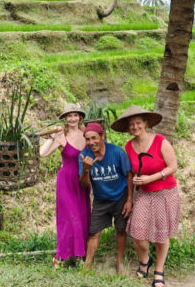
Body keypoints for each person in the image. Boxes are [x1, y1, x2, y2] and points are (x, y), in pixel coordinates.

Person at [111, 105, 179, 287]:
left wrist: (152, 177)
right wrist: (131, 194)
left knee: (161, 234)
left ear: (146, 123)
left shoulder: (160, 141)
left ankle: (159, 270)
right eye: (131, 124)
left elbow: (173, 166)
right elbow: (132, 173)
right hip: (144, 193)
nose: (135, 127)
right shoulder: (129, 146)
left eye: (138, 123)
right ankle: (145, 260)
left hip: (164, 192)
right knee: (137, 233)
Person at [79, 122, 133, 274]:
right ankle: (87, 265)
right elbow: (84, 184)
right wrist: (86, 169)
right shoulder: (84, 156)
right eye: (87, 139)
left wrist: (129, 200)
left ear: (102, 136)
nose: (91, 142)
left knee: (121, 229)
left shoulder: (117, 152)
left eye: (94, 138)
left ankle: (120, 261)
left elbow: (129, 175)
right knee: (94, 232)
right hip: (101, 199)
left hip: (120, 197)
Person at [40, 103, 90, 266]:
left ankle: (79, 255)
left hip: (83, 180)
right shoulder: (61, 136)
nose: (73, 118)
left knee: (82, 217)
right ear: (65, 118)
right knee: (69, 218)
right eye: (69, 116)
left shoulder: (86, 134)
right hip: (66, 181)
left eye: (75, 115)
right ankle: (61, 255)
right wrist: (52, 137)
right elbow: (42, 153)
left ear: (80, 117)